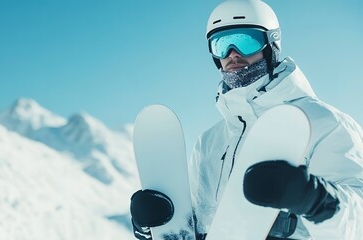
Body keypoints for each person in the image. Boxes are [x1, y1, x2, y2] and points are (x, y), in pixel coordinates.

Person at [130, 0, 363, 239]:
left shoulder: (324, 123)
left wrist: (314, 199)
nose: (233, 55)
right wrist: (153, 226)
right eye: (221, 46)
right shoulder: (209, 142)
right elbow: (200, 227)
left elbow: (358, 220)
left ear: (271, 45)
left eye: (245, 41)